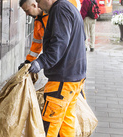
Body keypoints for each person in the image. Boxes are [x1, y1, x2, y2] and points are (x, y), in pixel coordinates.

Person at [29, 0, 87, 136]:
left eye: (38, 0)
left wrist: (41, 62)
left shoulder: (59, 10)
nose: (37, 4)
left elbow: (59, 43)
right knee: (66, 122)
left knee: (50, 124)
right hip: (74, 77)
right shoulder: (68, 7)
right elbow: (81, 38)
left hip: (63, 79)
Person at [18, 0, 81, 70]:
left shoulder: (56, 13)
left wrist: (40, 63)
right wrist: (28, 61)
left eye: (27, 10)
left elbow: (60, 43)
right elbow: (36, 44)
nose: (26, 14)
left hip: (66, 65)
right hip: (55, 64)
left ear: (34, 5)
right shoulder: (38, 21)